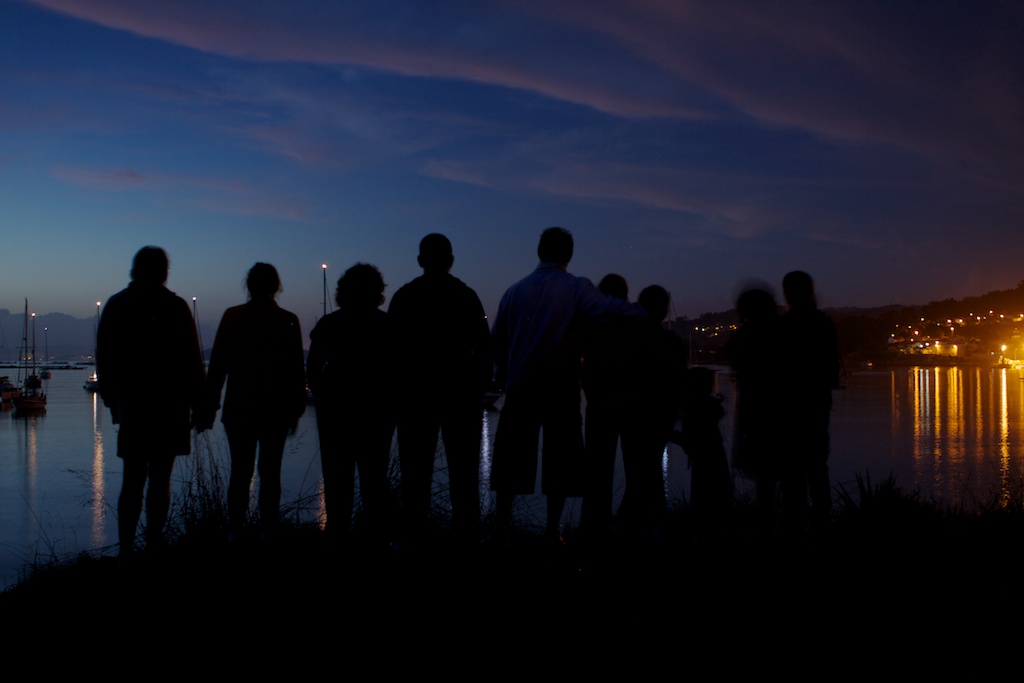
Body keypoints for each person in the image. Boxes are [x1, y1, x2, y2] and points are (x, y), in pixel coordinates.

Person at [490, 227, 642, 540]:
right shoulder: (575, 288)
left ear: (539, 251)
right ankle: (552, 531)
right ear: (568, 256)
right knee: (560, 463)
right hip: (561, 390)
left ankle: (500, 528)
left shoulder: (514, 291)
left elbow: (496, 343)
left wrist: (505, 375)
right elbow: (609, 308)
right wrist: (644, 312)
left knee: (510, 462)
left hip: (520, 388)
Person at [97, 246, 205, 555]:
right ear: (163, 271)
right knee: (160, 480)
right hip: (170, 405)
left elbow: (104, 357)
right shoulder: (176, 306)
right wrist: (200, 402)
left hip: (133, 405)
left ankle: (127, 551)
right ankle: (154, 544)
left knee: (133, 480)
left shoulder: (118, 305)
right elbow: (192, 359)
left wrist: (111, 398)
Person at [388, 234, 492, 544]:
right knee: (464, 474)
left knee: (414, 474)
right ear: (451, 260)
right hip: (460, 397)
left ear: (421, 261)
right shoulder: (466, 296)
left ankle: (414, 538)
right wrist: (477, 388)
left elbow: (390, 351)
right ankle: (465, 538)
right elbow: (484, 350)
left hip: (415, 398)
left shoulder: (404, 297)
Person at [201, 263, 306, 540]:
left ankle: (235, 529)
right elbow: (296, 369)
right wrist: (296, 409)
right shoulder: (288, 320)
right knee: (271, 472)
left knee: (240, 471)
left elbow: (218, 367)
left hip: (239, 409)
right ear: (276, 286)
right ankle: (267, 529)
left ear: (249, 285)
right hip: (276, 411)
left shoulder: (233, 317)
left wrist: (209, 406)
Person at [307, 263, 396, 542]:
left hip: (336, 410)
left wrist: (322, 396)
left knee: (336, 480)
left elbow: (312, 369)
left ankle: (337, 536)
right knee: (374, 479)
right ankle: (374, 538)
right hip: (377, 410)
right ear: (377, 292)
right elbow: (399, 371)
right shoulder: (387, 325)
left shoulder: (329, 324)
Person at [616, 285, 688, 537]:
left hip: (634, 417)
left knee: (639, 474)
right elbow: (679, 380)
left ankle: (635, 525)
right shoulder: (672, 343)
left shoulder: (630, 337)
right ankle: (652, 523)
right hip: (657, 417)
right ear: (664, 308)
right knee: (649, 472)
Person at [780, 270, 839, 532]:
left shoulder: (784, 326)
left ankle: (794, 526)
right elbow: (831, 370)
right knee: (817, 468)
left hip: (790, 410)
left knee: (792, 473)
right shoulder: (823, 322)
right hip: (816, 406)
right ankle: (821, 524)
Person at [724, 285, 782, 527]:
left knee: (764, 474)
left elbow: (734, 358)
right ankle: (786, 524)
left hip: (755, 411)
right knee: (780, 473)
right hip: (781, 411)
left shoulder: (743, 336)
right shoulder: (783, 333)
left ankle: (764, 523)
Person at [581, 274, 631, 539]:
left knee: (596, 471)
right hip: (630, 404)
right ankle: (628, 523)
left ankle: (593, 525)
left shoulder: (591, 323)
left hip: (599, 404)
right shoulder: (633, 323)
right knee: (638, 469)